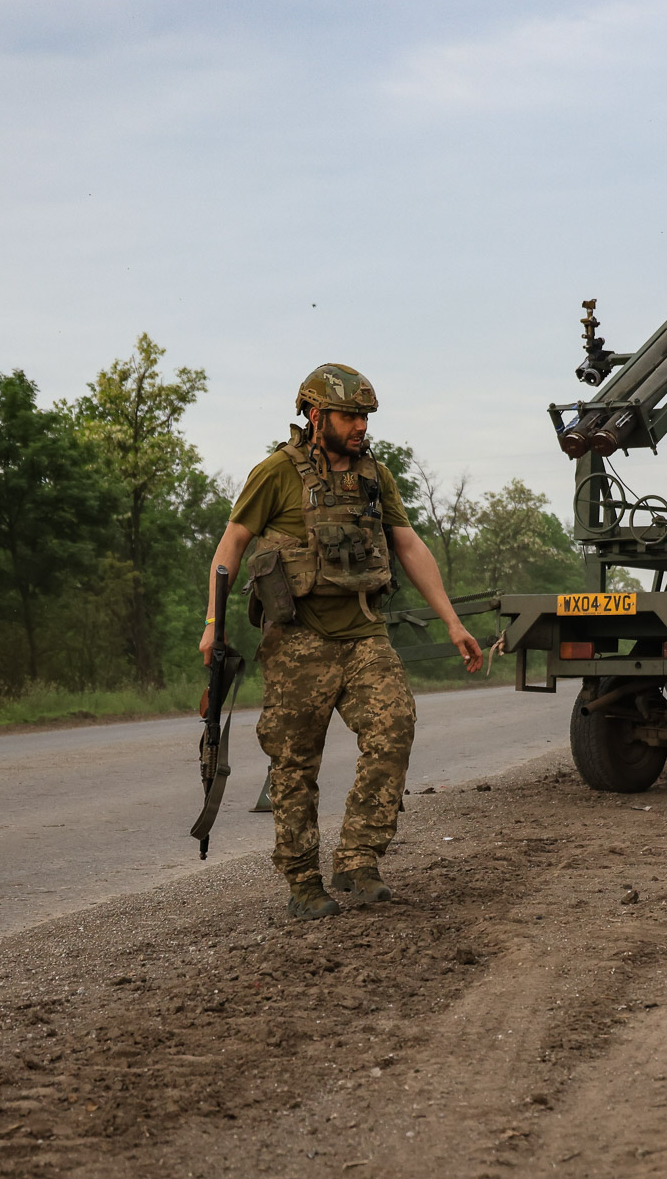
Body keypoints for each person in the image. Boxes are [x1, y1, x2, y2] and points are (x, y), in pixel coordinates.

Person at [199, 363, 483, 920]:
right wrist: (214, 622)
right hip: (298, 638)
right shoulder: (276, 473)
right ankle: (303, 882)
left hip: (363, 632)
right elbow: (230, 545)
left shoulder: (376, 475)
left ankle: (357, 858)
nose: (361, 426)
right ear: (315, 414)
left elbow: (408, 545)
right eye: (350, 416)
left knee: (394, 728)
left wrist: (452, 621)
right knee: (294, 762)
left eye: (365, 417)